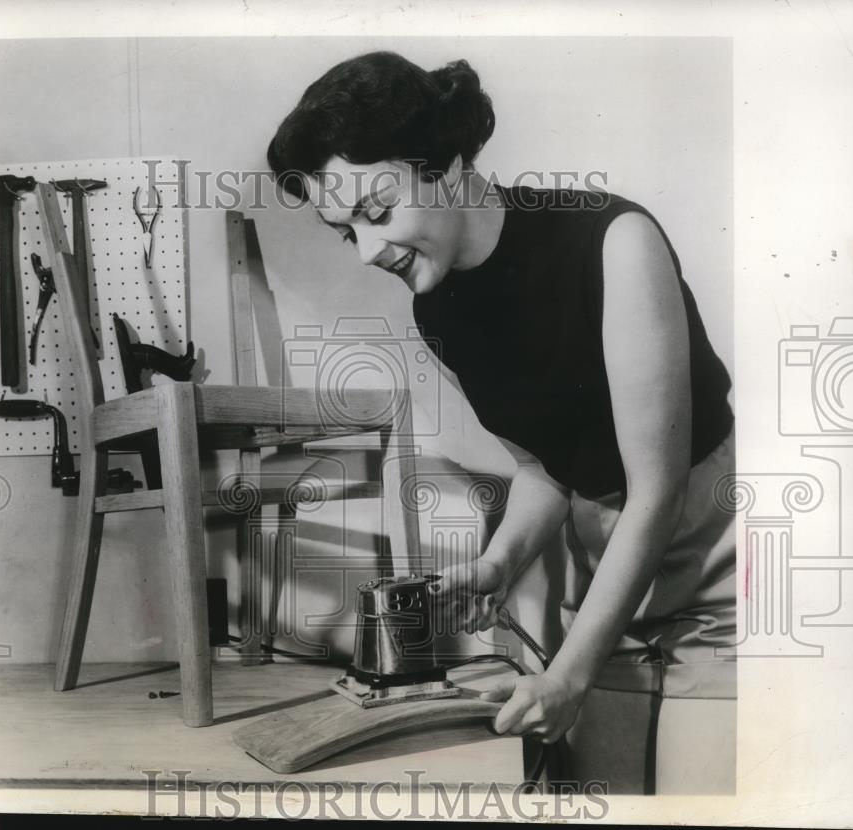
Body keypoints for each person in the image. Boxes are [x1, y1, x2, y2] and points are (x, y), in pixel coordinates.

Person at [266, 50, 737, 792]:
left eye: (376, 212)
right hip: (607, 589)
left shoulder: (613, 242)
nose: (364, 251)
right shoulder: (436, 305)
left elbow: (655, 490)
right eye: (343, 230)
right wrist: (498, 564)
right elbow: (544, 466)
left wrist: (570, 675)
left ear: (448, 166)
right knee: (590, 799)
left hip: (716, 584)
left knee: (705, 802)